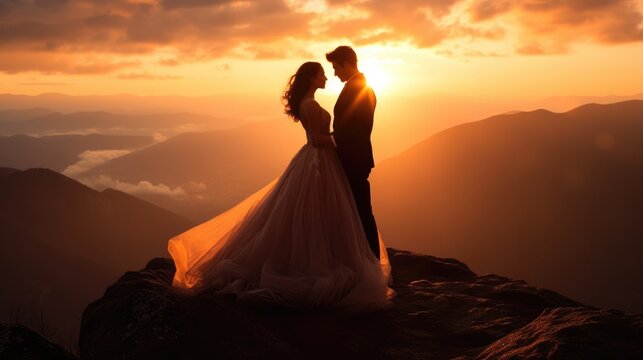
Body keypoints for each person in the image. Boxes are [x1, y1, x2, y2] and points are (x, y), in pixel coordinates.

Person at [168, 61, 394, 312]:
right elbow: (316, 139)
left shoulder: (310, 102)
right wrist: (340, 141)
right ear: (311, 78)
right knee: (314, 211)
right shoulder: (309, 105)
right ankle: (314, 260)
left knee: (316, 213)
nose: (327, 78)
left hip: (322, 161)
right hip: (318, 160)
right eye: (321, 75)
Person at [321, 46, 380, 260]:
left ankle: (371, 258)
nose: (335, 73)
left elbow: (358, 128)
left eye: (336, 68)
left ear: (347, 63)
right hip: (352, 157)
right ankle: (361, 255)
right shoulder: (356, 86)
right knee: (354, 209)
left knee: (361, 209)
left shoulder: (360, 88)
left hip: (354, 159)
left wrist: (330, 140)